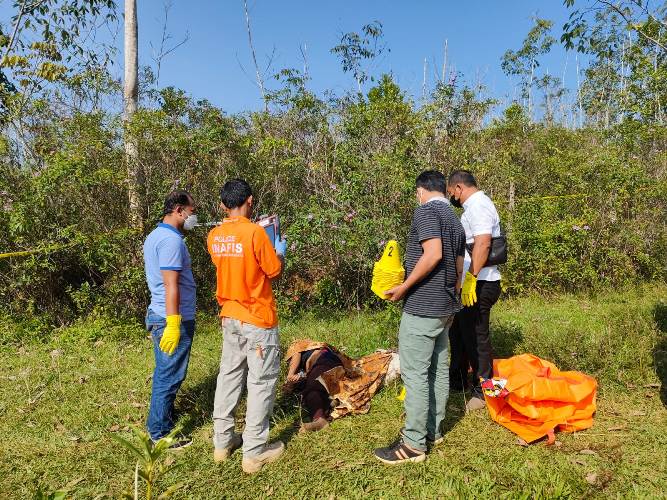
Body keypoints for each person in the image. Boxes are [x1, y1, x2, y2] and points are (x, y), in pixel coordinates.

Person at [373, 170, 465, 465]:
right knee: (438, 369)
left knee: (415, 374)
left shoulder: (426, 211)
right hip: (446, 307)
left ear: (422, 190)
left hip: (423, 306)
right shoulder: (454, 218)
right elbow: (459, 263)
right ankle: (432, 430)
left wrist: (404, 287)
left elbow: (433, 254)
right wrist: (454, 294)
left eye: (417, 193)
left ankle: (413, 444)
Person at [207, 178, 287, 474]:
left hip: (229, 314)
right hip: (257, 316)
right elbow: (273, 271)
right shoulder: (255, 233)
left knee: (228, 376)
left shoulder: (214, 236)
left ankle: (222, 442)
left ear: (222, 205)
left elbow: (225, 265)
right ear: (250, 201)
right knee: (260, 381)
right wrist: (278, 250)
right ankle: (254, 452)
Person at [143, 190, 198, 449]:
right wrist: (174, 323)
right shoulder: (171, 241)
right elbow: (171, 285)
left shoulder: (157, 235)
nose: (193, 217)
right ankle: (159, 433)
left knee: (166, 372)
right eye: (192, 211)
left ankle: (164, 417)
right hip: (170, 317)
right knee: (169, 375)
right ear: (179, 210)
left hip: (161, 314)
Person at [447, 169, 502, 411]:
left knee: (477, 336)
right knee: (458, 331)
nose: (452, 198)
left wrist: (471, 277)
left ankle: (487, 392)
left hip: (480, 282)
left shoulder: (478, 204)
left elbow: (483, 242)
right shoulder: (473, 207)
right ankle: (458, 382)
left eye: (452, 193)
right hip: (472, 281)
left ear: (459, 188)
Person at [283, 340, 397, 433]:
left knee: (313, 386)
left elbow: (296, 355)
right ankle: (329, 403)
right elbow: (297, 382)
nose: (290, 363)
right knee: (312, 387)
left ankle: (319, 419)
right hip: (329, 364)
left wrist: (290, 375)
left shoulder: (297, 345)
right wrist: (293, 384)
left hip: (324, 359)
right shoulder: (310, 356)